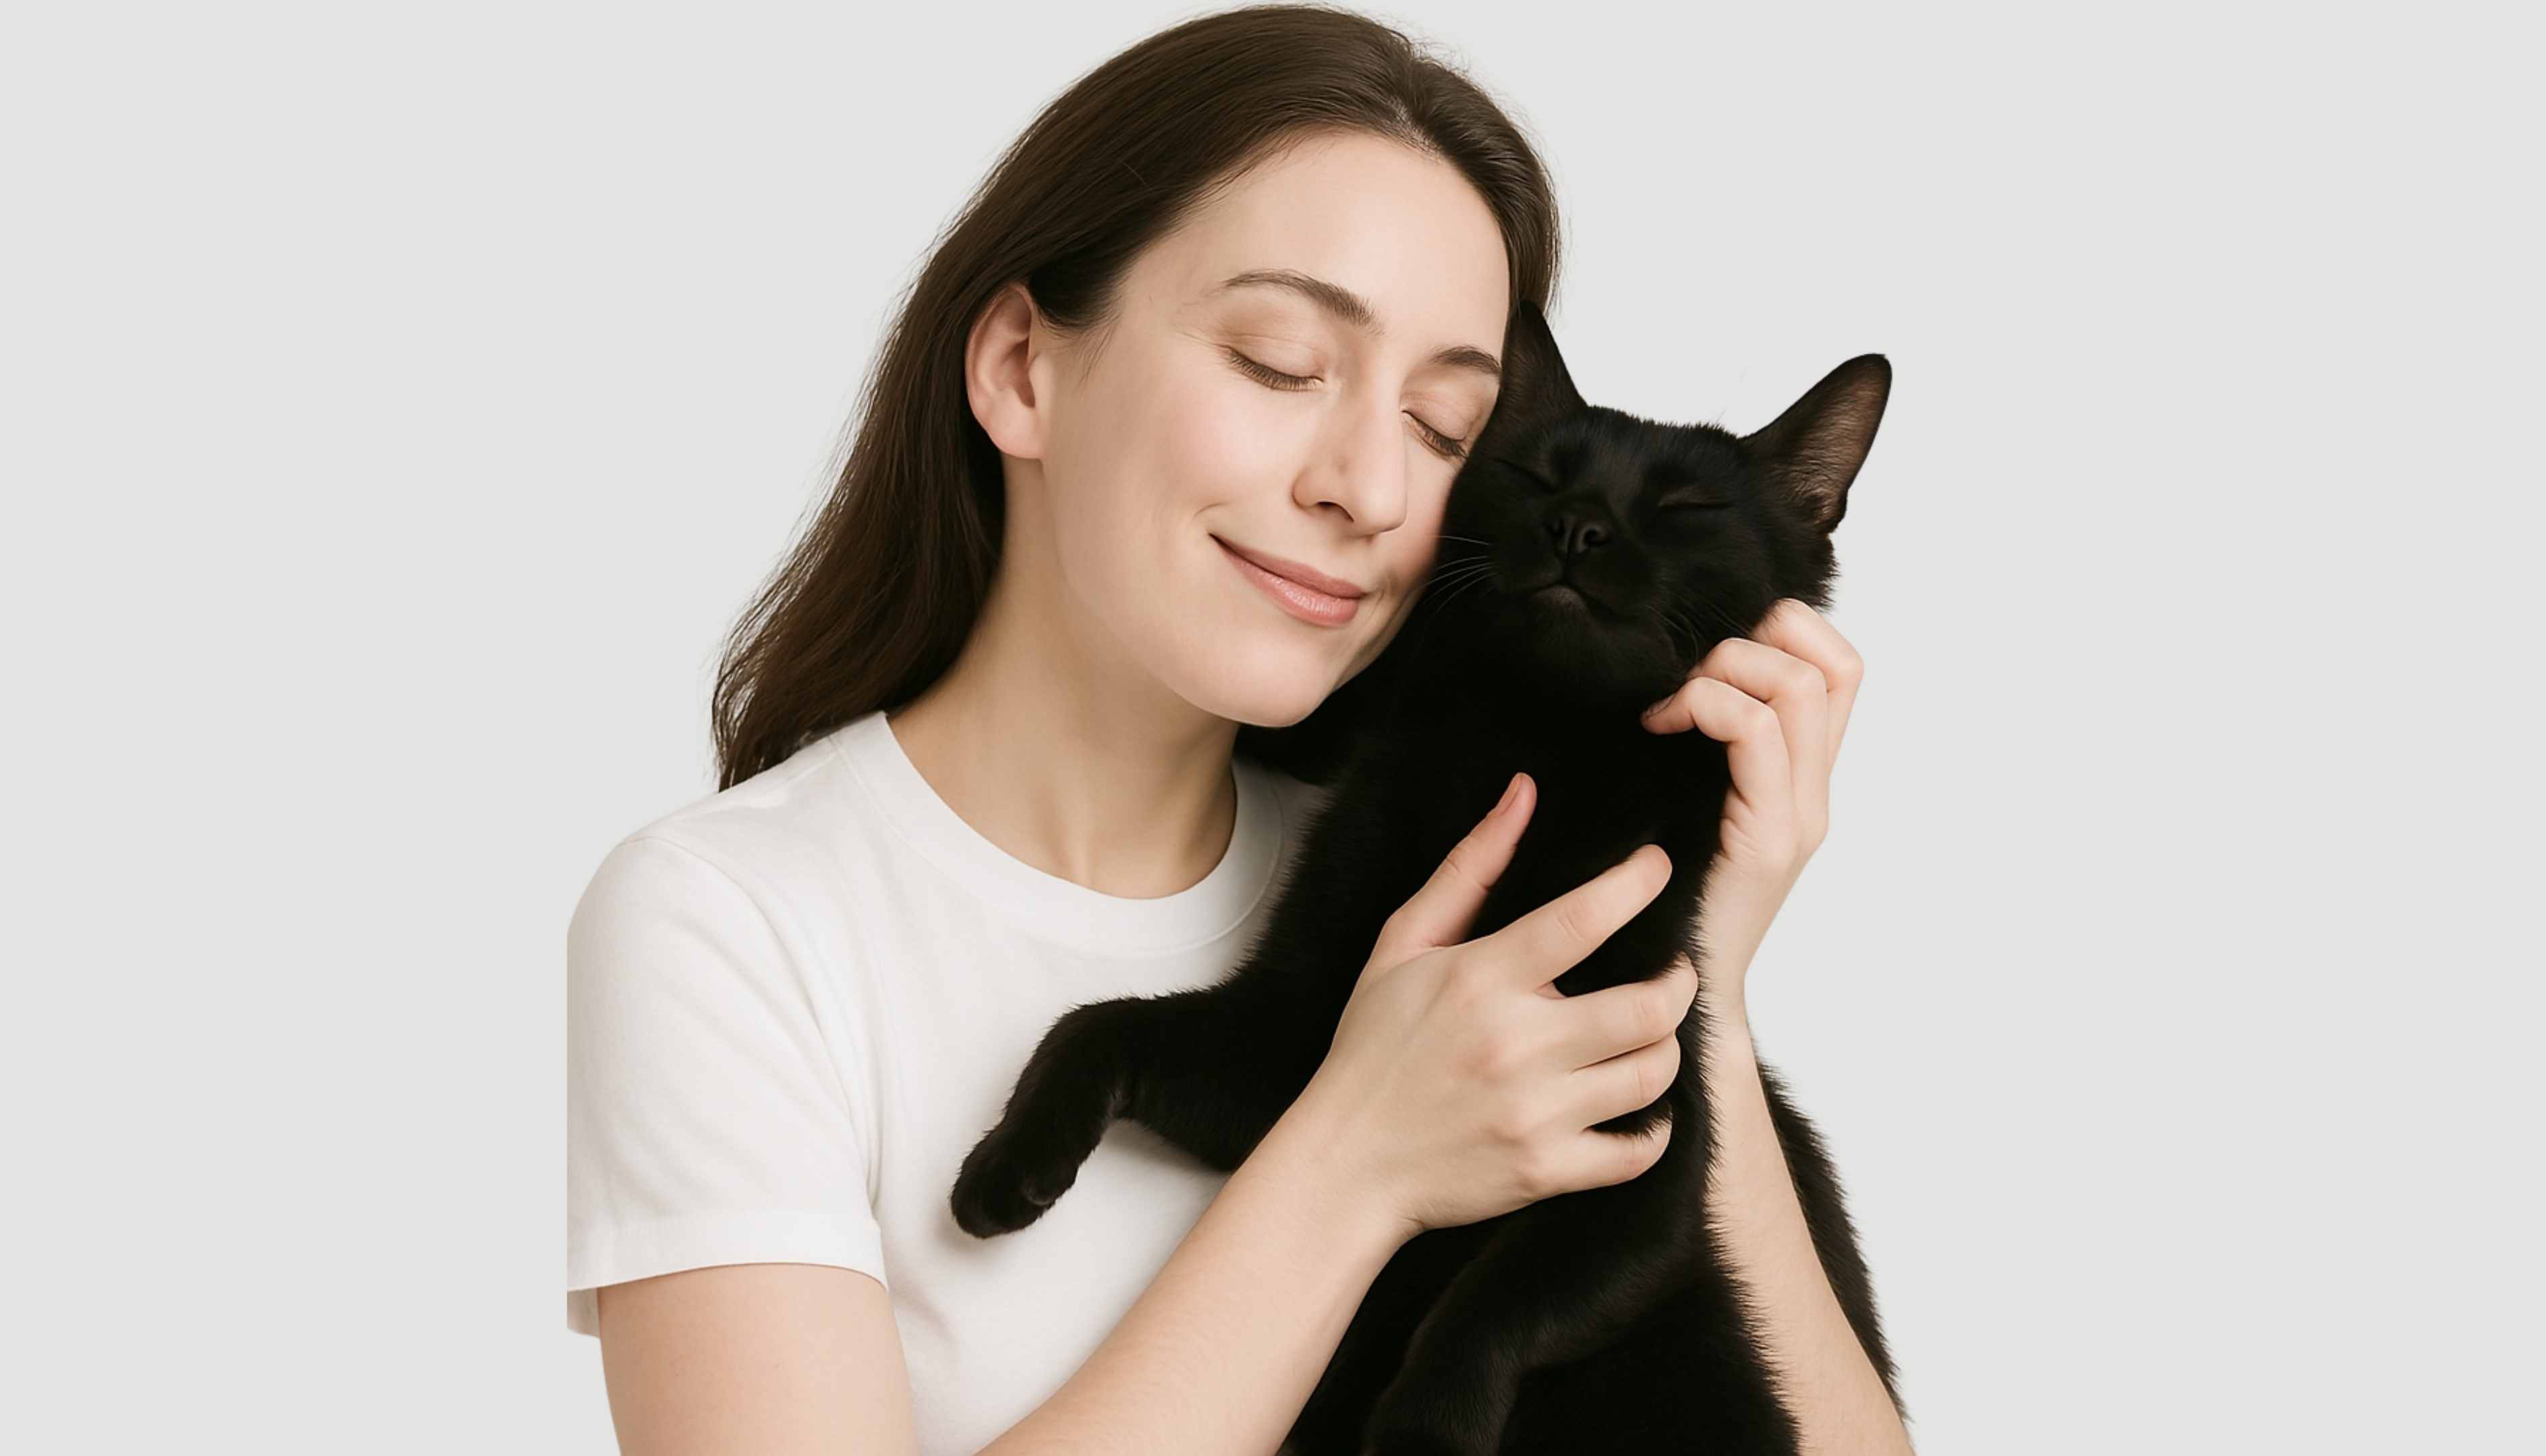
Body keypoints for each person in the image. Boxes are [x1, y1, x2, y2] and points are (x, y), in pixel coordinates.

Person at [567, 7, 1910, 1453]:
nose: (1369, 487)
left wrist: (1699, 956)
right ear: (1023, 366)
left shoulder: (1444, 862)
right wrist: (1353, 1160)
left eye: (1447, 426)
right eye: (1280, 362)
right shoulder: (732, 923)